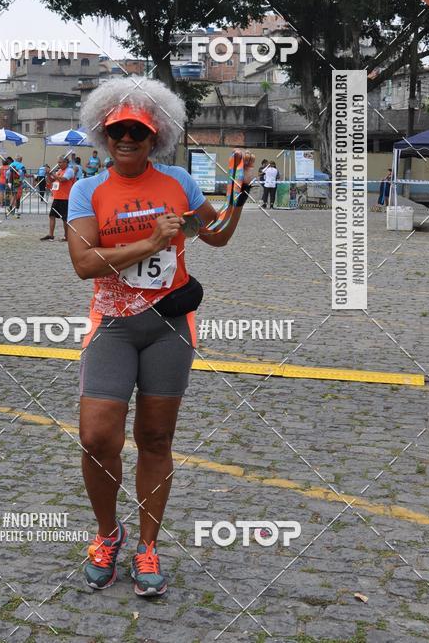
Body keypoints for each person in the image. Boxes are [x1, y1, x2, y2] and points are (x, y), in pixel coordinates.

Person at [66, 77, 254, 596]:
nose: (127, 138)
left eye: (138, 132)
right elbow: (84, 263)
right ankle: (108, 534)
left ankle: (147, 547)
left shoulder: (177, 182)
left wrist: (237, 196)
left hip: (170, 325)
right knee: (97, 436)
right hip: (113, 324)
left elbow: (212, 236)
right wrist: (151, 239)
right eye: (117, 130)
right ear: (104, 137)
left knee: (155, 438)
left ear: (156, 138)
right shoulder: (88, 189)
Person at [41, 156, 76, 240]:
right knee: (51, 215)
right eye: (58, 162)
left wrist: (52, 173)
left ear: (65, 162)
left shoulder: (69, 171)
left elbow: (62, 179)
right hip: (57, 197)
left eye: (60, 162)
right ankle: (51, 234)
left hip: (65, 198)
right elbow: (51, 181)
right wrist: (48, 174)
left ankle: (67, 236)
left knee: (64, 218)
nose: (58, 164)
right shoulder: (59, 171)